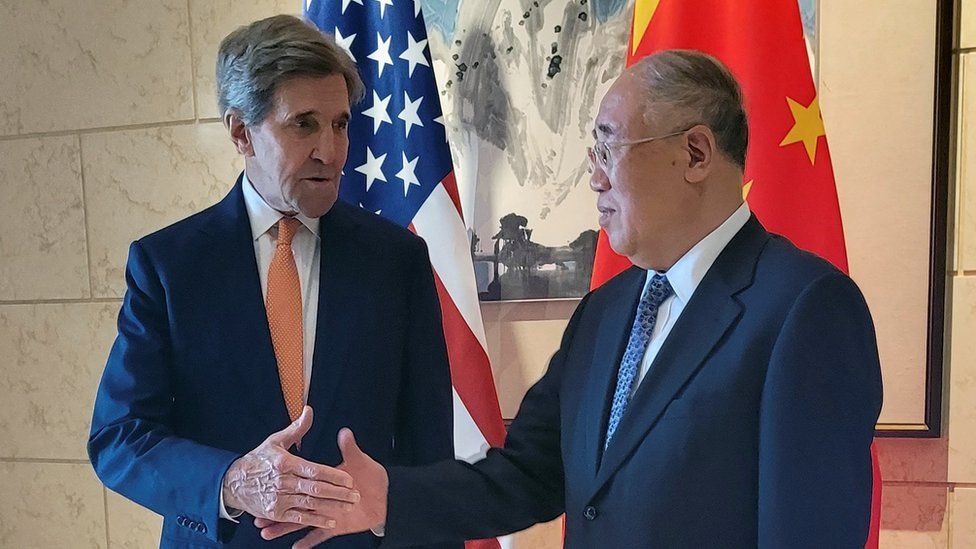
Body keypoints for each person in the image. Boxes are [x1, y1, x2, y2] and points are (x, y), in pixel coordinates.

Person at [257, 49, 884, 548]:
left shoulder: (805, 309)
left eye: (609, 149)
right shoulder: (606, 313)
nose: (595, 178)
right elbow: (530, 475)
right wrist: (389, 499)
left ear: (695, 153)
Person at [88, 15, 456, 549]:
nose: (330, 152)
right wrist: (232, 481)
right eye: (303, 124)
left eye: (340, 124)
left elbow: (429, 455)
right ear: (241, 133)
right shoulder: (169, 266)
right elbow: (119, 438)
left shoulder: (396, 261)